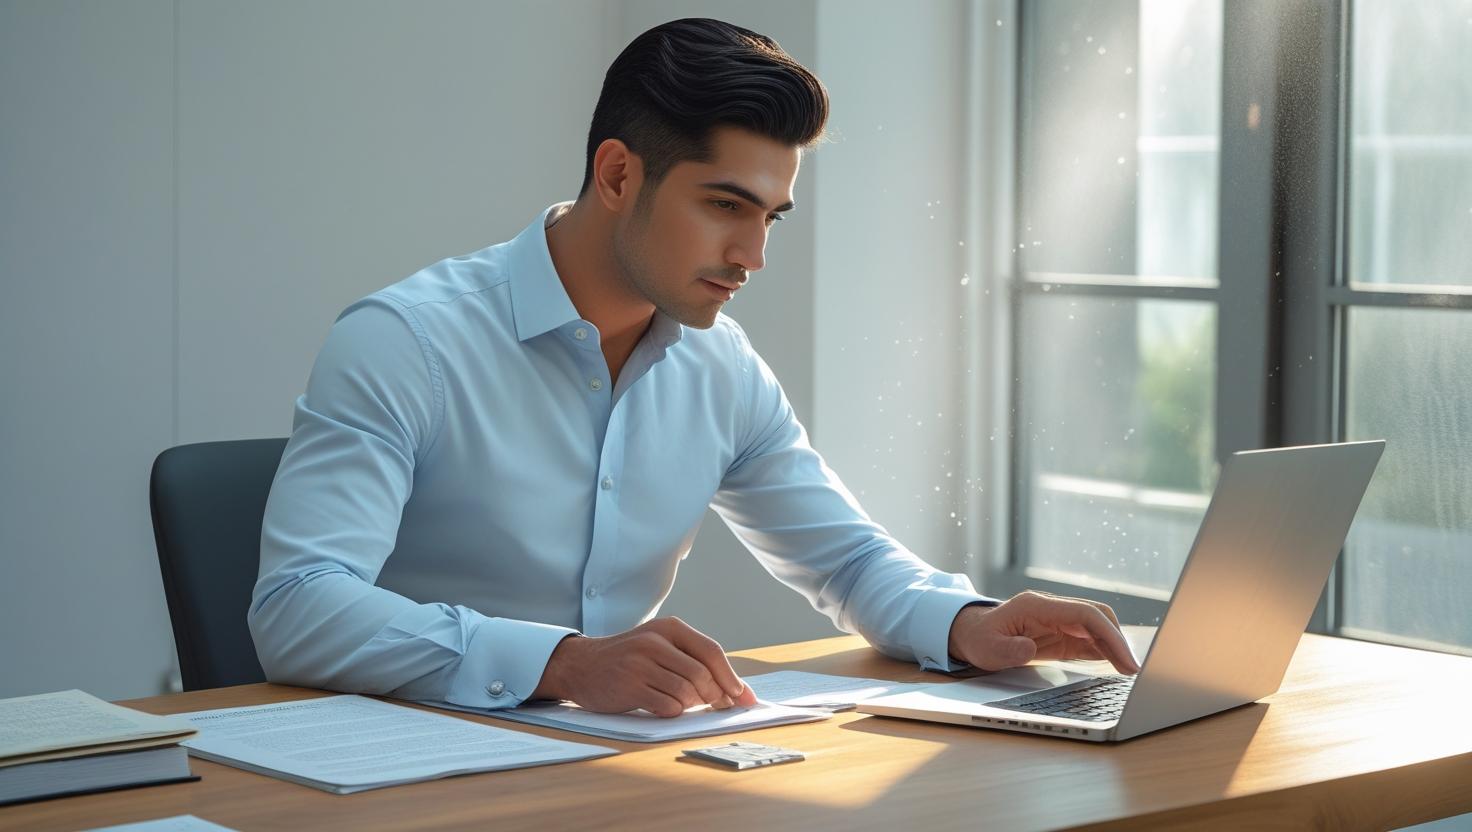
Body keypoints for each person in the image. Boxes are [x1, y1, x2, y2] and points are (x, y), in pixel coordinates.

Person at [249, 17, 1140, 719]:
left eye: (770, 217)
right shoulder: (405, 342)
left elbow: (845, 560)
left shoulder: (719, 365)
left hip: (618, 771)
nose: (753, 255)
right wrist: (564, 663)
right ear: (617, 175)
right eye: (724, 205)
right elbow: (297, 608)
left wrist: (973, 622)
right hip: (404, 777)